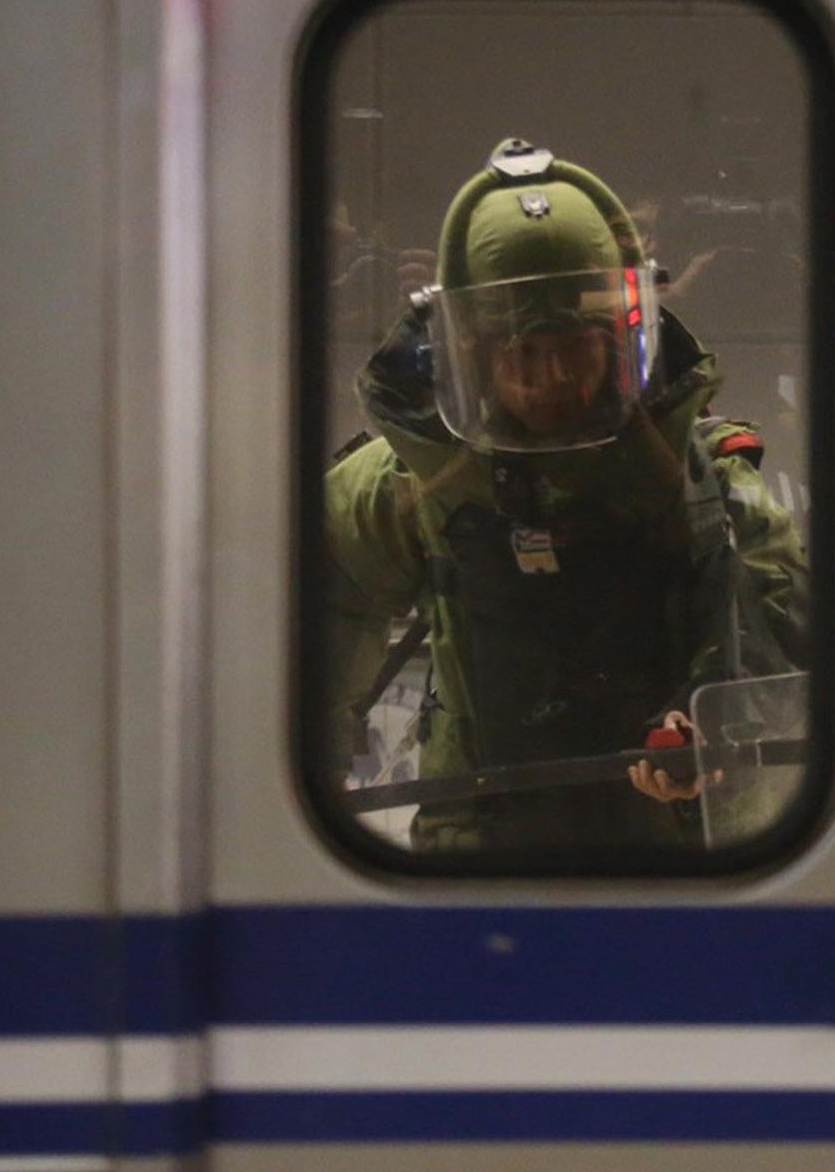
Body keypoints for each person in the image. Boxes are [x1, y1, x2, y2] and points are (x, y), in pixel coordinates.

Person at [323, 138, 809, 854]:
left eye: (576, 346)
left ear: (620, 341)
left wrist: (707, 728)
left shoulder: (697, 475)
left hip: (679, 862)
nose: (551, 377)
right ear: (472, 356)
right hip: (472, 858)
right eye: (521, 352)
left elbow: (777, 612)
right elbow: (313, 602)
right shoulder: (412, 481)